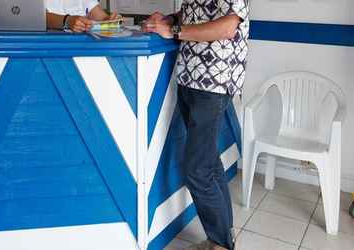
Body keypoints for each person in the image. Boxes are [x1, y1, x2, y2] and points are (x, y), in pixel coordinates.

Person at [143, 0, 249, 250]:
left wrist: (173, 31)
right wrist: (170, 19)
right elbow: (195, 11)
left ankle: (221, 244)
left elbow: (227, 27)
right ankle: (223, 238)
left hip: (212, 82)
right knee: (210, 164)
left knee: (198, 171)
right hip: (191, 78)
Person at [45, 0, 119, 32]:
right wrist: (67, 21)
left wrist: (112, 20)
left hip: (82, 47)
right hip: (48, 47)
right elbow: (39, 19)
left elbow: (103, 18)